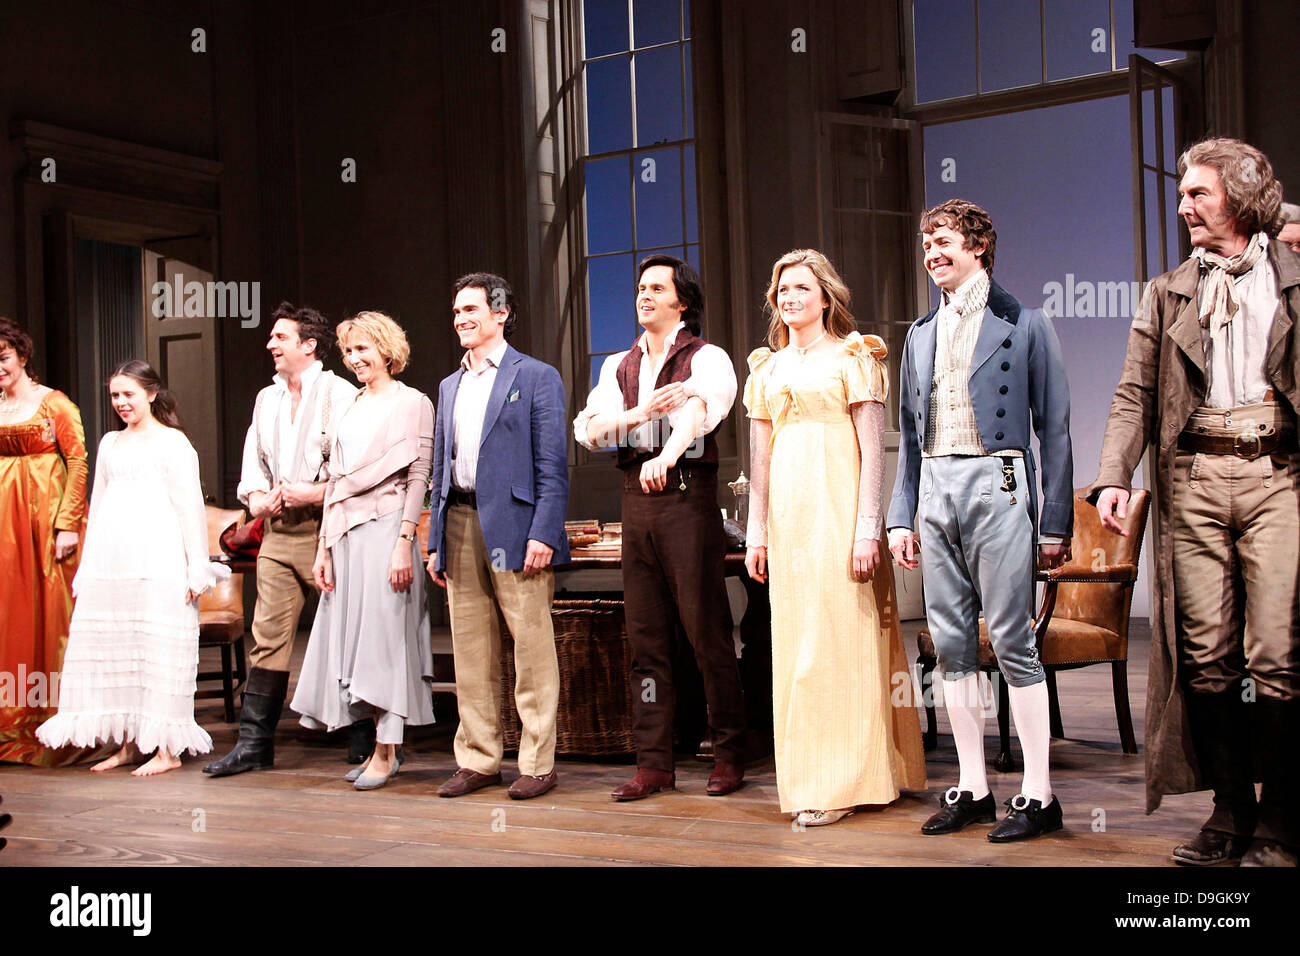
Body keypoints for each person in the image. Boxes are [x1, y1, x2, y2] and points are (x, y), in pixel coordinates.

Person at [1087, 138, 1299, 867]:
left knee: (1276, 655)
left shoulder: (1290, 272)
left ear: (1238, 199)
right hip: (1197, 480)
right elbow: (1134, 393)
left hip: (1277, 475)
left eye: (1198, 194)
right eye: (1181, 194)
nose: (1183, 207)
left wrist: (1284, 219)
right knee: (1209, 658)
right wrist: (1114, 475)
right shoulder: (1169, 290)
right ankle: (1232, 813)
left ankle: (1284, 820)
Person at [887, 200, 1075, 842]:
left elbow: (1055, 431)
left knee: (1013, 641)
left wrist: (1054, 526)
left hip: (998, 480)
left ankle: (1039, 794)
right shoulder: (919, 334)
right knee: (951, 645)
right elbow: (910, 439)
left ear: (979, 244)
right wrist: (899, 516)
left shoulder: (1025, 323)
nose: (932, 253)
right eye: (926, 245)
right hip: (936, 487)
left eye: (942, 241)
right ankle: (971, 786)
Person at [742, 250, 926, 825]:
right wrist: (757, 533)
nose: (790, 297)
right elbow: (760, 462)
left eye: (801, 287)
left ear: (825, 297)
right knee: (796, 649)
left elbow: (874, 451)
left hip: (840, 514)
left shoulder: (854, 357)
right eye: (782, 289)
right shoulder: (765, 371)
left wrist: (868, 528)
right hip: (789, 524)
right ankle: (809, 779)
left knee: (840, 643)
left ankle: (848, 781)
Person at [575, 254, 748, 800]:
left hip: (685, 496)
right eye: (640, 288)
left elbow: (701, 408)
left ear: (683, 301)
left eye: (656, 288)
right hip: (636, 503)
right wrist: (639, 413)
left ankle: (728, 753)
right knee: (646, 641)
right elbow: (592, 431)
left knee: (706, 634)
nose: (643, 296)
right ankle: (654, 761)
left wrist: (668, 453)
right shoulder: (617, 366)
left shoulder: (706, 356)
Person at [425, 273, 570, 801]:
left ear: (501, 314)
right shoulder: (449, 385)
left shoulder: (534, 377)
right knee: (469, 649)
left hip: (516, 527)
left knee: (531, 648)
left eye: (471, 309)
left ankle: (537, 761)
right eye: (456, 311)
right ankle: (480, 759)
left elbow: (553, 466)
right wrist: (436, 537)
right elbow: (443, 469)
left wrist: (544, 533)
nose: (462, 319)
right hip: (460, 523)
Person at [36, 361, 218, 775]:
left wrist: (196, 568)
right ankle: (130, 744)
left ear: (151, 394)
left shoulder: (174, 444)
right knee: (118, 648)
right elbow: (96, 507)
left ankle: (167, 750)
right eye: (115, 395)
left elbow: (189, 508)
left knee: (156, 651)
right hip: (113, 562)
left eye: (129, 394)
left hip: (159, 562)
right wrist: (88, 565)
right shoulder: (110, 444)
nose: (121, 403)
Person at [204, 303, 358, 778]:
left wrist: (316, 491)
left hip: (328, 530)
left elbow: (359, 473)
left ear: (309, 345)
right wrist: (257, 501)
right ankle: (255, 744)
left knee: (346, 633)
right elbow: (252, 471)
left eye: (280, 337)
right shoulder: (266, 400)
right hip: (277, 533)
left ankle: (363, 736)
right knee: (267, 638)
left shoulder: (343, 394)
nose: (270, 345)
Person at [291, 312, 436, 790]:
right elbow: (334, 482)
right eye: (349, 351)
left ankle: (386, 748)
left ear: (386, 349)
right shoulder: (348, 405)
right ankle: (381, 745)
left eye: (362, 349)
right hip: (346, 535)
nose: (354, 359)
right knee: (355, 643)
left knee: (385, 641)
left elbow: (419, 478)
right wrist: (323, 549)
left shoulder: (412, 402)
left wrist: (404, 542)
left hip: (387, 528)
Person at [0, 318, 89, 766]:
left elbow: (77, 459)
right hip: (5, 523)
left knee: (53, 615)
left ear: (21, 356)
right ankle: (9, 719)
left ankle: (56, 719)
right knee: (8, 610)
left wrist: (68, 521)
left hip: (46, 518)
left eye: (3, 358)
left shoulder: (53, 403)